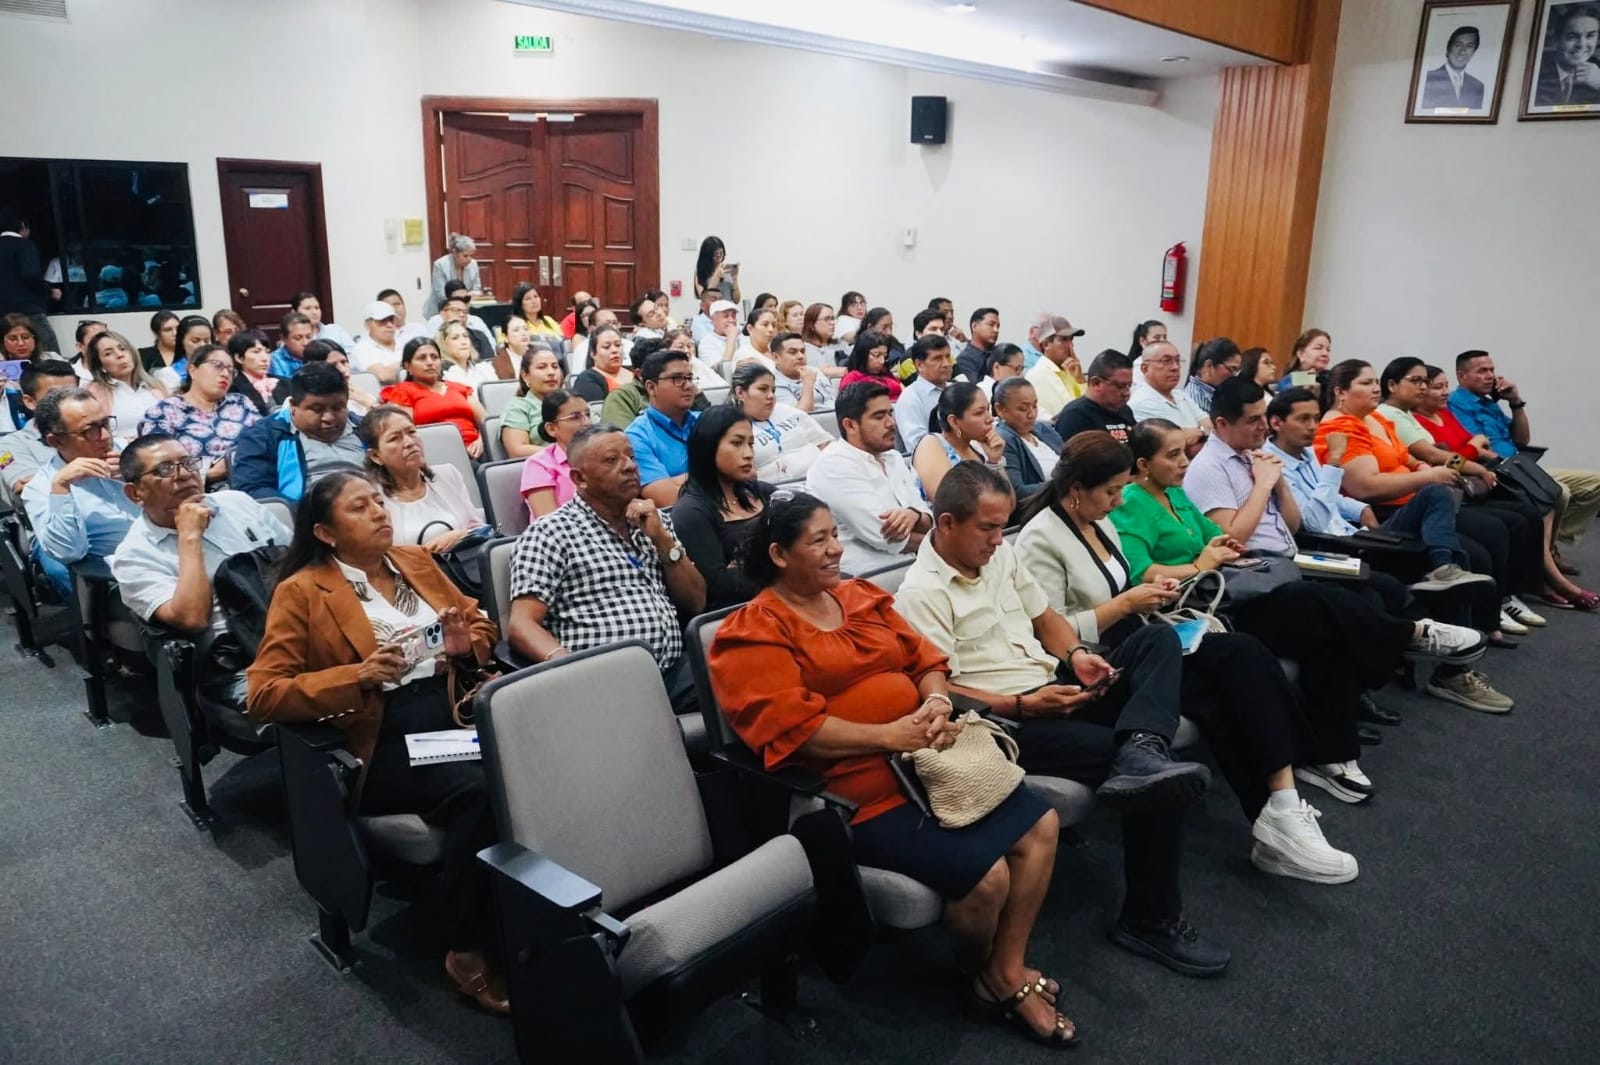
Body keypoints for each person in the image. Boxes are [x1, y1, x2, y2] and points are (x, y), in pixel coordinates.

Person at [708, 492, 1075, 1049]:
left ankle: (1002, 970)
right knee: (989, 878)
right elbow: (794, 730)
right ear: (779, 555)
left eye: (836, 535)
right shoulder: (753, 630)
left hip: (935, 763)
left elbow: (925, 659)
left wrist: (936, 701)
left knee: (1042, 824)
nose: (836, 549)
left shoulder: (859, 596)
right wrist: (889, 735)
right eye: (819, 540)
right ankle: (990, 975)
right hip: (856, 794)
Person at [894, 462, 1228, 975]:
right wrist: (1022, 705)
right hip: (1009, 722)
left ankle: (1142, 746)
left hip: (1055, 683)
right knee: (1157, 779)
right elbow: (944, 690)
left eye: (1001, 526)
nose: (998, 539)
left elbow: (1045, 619)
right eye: (988, 528)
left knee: (1156, 640)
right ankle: (1149, 919)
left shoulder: (998, 555)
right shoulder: (921, 594)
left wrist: (1076, 654)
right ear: (946, 524)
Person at [1014, 434, 1362, 885]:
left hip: (1138, 640)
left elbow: (1122, 585)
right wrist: (1124, 605)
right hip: (1094, 663)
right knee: (1233, 669)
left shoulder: (1098, 522)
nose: (1119, 501)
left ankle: (1280, 809)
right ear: (1077, 488)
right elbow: (1049, 631)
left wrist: (1150, 592)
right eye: (1112, 491)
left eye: (1122, 489)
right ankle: (1279, 815)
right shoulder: (1041, 537)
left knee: (1238, 664)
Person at [245, 471, 504, 1014]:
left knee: (535, 757)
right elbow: (264, 695)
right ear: (326, 533)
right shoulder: (303, 591)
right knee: (482, 789)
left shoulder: (413, 560)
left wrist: (466, 645)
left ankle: (533, 908)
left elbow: (481, 626)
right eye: (359, 508)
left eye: (378, 502)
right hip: (380, 734)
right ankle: (465, 948)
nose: (379, 513)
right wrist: (357, 676)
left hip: (454, 707)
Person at [1113, 419, 1501, 748]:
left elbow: (1215, 535)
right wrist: (1201, 562)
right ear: (1144, 464)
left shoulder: (1175, 493)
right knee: (1314, 601)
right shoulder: (1132, 503)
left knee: (1327, 621)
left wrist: (1223, 546)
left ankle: (1333, 750)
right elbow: (1139, 573)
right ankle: (1411, 636)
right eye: (1173, 456)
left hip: (1231, 586)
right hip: (1199, 606)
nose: (1184, 462)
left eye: (1184, 452)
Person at [1265, 383, 1520, 672]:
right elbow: (1364, 487)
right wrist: (1469, 461)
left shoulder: (1385, 420)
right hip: (1366, 524)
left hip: (1383, 515)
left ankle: (1471, 601)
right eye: (1366, 382)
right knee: (1482, 534)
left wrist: (1419, 470)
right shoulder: (1342, 429)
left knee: (1481, 531)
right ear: (1341, 392)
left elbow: (1413, 456)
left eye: (1434, 384)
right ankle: (1466, 647)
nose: (1429, 389)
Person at [506, 425, 706, 707]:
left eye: (631, 457)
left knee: (740, 671)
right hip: (602, 684)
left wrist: (661, 539)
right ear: (580, 478)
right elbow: (522, 624)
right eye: (612, 460)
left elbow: (696, 602)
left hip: (672, 670)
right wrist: (571, 670)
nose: (629, 466)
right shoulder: (550, 533)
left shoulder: (654, 521)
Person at [1377, 357, 1583, 616]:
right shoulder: (1390, 415)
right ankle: (1508, 600)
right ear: (1392, 385)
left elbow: (1457, 448)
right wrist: (1475, 464)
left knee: (1527, 512)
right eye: (1417, 381)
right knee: (1501, 525)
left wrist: (1476, 454)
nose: (1424, 387)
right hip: (1433, 490)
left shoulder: (1410, 415)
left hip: (1447, 483)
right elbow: (1434, 455)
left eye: (1426, 382)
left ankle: (1519, 590)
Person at [109, 433, 293, 719]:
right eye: (164, 470)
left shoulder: (237, 503)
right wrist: (189, 536)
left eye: (189, 463)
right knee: (332, 695)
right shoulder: (134, 556)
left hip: (301, 631)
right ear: (135, 493)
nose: (184, 475)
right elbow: (192, 619)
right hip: (239, 664)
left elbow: (302, 562)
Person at [1449, 349, 1600, 545]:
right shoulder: (1456, 403)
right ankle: (1546, 549)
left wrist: (1515, 402)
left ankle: (1553, 538)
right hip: (1500, 471)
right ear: (1462, 376)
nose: (1490, 376)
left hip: (1520, 466)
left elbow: (1522, 440)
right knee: (1559, 492)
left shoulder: (1489, 403)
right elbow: (1474, 449)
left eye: (1492, 370)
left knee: (1595, 482)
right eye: (1482, 371)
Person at [805, 382, 930, 574]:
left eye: (890, 413)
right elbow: (885, 537)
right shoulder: (833, 464)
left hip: (916, 564)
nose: (891, 423)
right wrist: (944, 547)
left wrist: (915, 515)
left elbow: (926, 516)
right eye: (879, 416)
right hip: (868, 576)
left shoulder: (893, 457)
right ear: (850, 425)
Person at [21, 387, 141, 573]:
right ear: (56, 441)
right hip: (117, 572)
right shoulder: (41, 488)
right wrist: (61, 490)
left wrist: (139, 475)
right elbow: (67, 553)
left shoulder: (131, 453)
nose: (105, 436)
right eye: (90, 430)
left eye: (105, 423)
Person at [672, 406, 776, 610]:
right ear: (708, 447)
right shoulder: (690, 512)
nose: (748, 454)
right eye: (737, 443)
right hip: (741, 613)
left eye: (751, 443)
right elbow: (722, 587)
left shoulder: (764, 493)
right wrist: (778, 559)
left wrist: (743, 564)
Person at [232, 363, 366, 504]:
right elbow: (253, 489)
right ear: (293, 406)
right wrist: (301, 512)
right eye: (317, 409)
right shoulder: (263, 435)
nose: (329, 418)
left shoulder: (364, 428)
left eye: (338, 408)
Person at [360, 405, 486, 550]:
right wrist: (422, 554)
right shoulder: (372, 498)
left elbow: (479, 528)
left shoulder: (447, 475)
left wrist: (459, 535)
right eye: (395, 438)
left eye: (412, 432)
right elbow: (376, 554)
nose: (409, 442)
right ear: (376, 456)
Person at [137, 344, 261, 485]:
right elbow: (157, 466)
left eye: (231, 370)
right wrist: (210, 474)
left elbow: (265, 438)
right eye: (217, 365)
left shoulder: (241, 403)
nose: (226, 374)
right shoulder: (164, 412)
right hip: (196, 489)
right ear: (193, 370)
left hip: (255, 479)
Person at [380, 338, 487, 459]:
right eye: (422, 358)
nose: (430, 362)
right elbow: (405, 432)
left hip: (478, 450)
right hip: (436, 454)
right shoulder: (402, 392)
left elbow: (486, 423)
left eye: (434, 357)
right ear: (407, 366)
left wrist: (481, 442)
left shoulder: (460, 388)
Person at [728, 362, 833, 483]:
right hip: (775, 488)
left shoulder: (787, 411)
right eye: (763, 389)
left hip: (821, 478)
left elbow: (826, 443)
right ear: (740, 393)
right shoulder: (731, 426)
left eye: (773, 390)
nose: (771, 396)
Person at [624, 347, 702, 506]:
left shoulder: (704, 421)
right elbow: (666, 498)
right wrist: (716, 473)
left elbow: (742, 474)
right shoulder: (636, 436)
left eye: (689, 378)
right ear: (651, 387)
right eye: (677, 379)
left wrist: (679, 481)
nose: (688, 385)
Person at [912, 382, 1004, 501]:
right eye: (979, 413)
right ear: (954, 421)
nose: (990, 419)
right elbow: (948, 503)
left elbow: (1008, 502)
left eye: (988, 410)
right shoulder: (931, 444)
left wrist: (994, 461)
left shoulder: (978, 448)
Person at [0, 360, 78, 497]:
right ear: (30, 401)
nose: (67, 402)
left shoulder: (98, 431)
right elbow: (30, 491)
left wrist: (49, 479)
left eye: (74, 394)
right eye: (54, 396)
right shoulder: (11, 444)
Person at [86, 330, 167, 447]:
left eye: (122, 348)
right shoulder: (93, 393)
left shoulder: (157, 386)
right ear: (100, 366)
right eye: (108, 353)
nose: (120, 355)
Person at [993, 378, 1063, 508]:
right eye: (1023, 408)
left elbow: (1070, 459)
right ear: (1000, 409)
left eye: (1035, 406)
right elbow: (1019, 492)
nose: (1032, 414)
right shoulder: (1003, 440)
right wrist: (1065, 484)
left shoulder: (1043, 428)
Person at [1129, 340, 1210, 453]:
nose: (1175, 367)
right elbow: (1180, 446)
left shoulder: (1180, 394)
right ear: (1145, 368)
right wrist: (1203, 432)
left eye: (1177, 360)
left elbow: (1212, 426)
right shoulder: (1143, 402)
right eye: (1166, 361)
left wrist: (1199, 432)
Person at [0, 209, 61, 357]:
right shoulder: (24, 245)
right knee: (49, 352)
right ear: (23, 226)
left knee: (7, 353)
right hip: (28, 309)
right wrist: (49, 291)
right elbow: (30, 275)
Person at [520, 390, 588, 519]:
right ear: (551, 428)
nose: (587, 423)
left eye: (587, 414)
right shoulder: (539, 465)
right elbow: (550, 522)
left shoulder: (600, 457)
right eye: (575, 417)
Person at [1053, 350, 1137, 444]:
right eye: (1120, 386)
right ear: (1096, 383)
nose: (1127, 393)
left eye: (1129, 385)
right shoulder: (1074, 417)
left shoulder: (1125, 410)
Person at [498, 344, 565, 458]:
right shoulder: (518, 407)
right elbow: (517, 451)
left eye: (555, 366)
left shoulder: (572, 402)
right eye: (542, 367)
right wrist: (564, 452)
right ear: (525, 376)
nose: (551, 372)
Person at [894, 335, 955, 450]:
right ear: (919, 365)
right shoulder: (910, 398)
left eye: (948, 357)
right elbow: (918, 445)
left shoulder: (956, 389)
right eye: (937, 359)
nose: (946, 364)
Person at [1021, 315, 1087, 421]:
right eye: (1063, 339)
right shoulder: (1038, 375)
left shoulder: (1070, 371)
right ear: (1046, 344)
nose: (1070, 345)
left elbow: (1089, 409)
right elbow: (1071, 414)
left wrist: (1080, 380)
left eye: (1071, 339)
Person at [1534, 4, 1600, 106]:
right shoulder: (1536, 72)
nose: (1582, 45)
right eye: (1572, 37)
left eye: (1590, 36)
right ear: (1556, 40)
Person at [303, 339, 379, 416]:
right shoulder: (311, 401)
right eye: (333, 365)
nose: (343, 370)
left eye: (343, 362)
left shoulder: (358, 392)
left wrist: (369, 403)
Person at [1421, 25, 1486, 109]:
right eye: (1458, 45)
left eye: (1469, 46)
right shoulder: (1427, 79)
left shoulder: (1477, 86)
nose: (1462, 52)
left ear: (1474, 51)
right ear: (1448, 48)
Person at [226, 330, 289, 413]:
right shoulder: (233, 389)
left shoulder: (286, 382)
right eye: (256, 352)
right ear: (239, 358)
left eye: (267, 352)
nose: (265, 358)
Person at [768, 330, 829, 411]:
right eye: (793, 352)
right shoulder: (774, 384)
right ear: (776, 357)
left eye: (803, 351)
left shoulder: (814, 371)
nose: (801, 356)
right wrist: (808, 383)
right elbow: (799, 415)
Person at [570, 324, 633, 402]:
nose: (614, 350)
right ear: (593, 354)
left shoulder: (634, 371)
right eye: (606, 347)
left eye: (618, 345)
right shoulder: (586, 380)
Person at [426, 234, 483, 316]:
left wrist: (475, 294)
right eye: (465, 256)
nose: (469, 259)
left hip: (466, 310)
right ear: (454, 252)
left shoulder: (473, 264)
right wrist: (464, 296)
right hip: (441, 310)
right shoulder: (440, 265)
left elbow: (476, 288)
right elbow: (441, 294)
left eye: (471, 255)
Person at [1182, 338, 1241, 417]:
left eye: (1237, 371)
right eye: (1232, 369)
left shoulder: (1216, 392)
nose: (1235, 375)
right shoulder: (1194, 399)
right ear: (1209, 365)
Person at [350, 301, 405, 383]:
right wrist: (408, 364)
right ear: (368, 325)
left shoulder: (403, 343)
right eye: (382, 320)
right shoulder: (361, 349)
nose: (389, 325)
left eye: (391, 320)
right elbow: (384, 376)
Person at [839, 330, 902, 400]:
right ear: (863, 354)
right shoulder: (852, 378)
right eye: (877, 355)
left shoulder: (886, 373)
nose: (882, 361)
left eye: (885, 356)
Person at [438, 321, 498, 391]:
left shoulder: (483, 367)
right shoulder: (442, 374)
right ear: (444, 344)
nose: (463, 342)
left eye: (465, 336)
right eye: (455, 338)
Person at [695, 299, 742, 374]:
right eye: (726, 316)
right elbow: (722, 371)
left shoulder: (741, 336)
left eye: (733, 316)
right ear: (713, 320)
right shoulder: (707, 343)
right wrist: (731, 338)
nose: (731, 320)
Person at [954, 307, 999, 384]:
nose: (996, 330)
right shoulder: (965, 359)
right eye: (991, 325)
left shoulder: (999, 353)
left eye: (998, 326)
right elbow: (976, 387)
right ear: (974, 326)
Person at [801, 302, 847, 376]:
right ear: (812, 324)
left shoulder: (841, 344)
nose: (832, 323)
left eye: (833, 319)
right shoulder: (805, 349)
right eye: (826, 319)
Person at [692, 236, 740, 304]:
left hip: (728, 308)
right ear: (707, 255)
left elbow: (736, 300)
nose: (719, 256)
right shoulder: (701, 271)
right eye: (716, 254)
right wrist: (716, 276)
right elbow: (704, 297)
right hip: (711, 309)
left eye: (721, 253)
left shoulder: (727, 270)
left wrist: (735, 280)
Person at [268, 312, 317, 379]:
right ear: (283, 338)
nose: (305, 343)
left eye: (308, 337)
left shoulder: (318, 355)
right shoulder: (274, 361)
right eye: (298, 338)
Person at [140, 310, 181, 378]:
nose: (175, 333)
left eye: (178, 328)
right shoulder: (143, 356)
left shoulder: (188, 354)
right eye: (168, 330)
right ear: (157, 334)